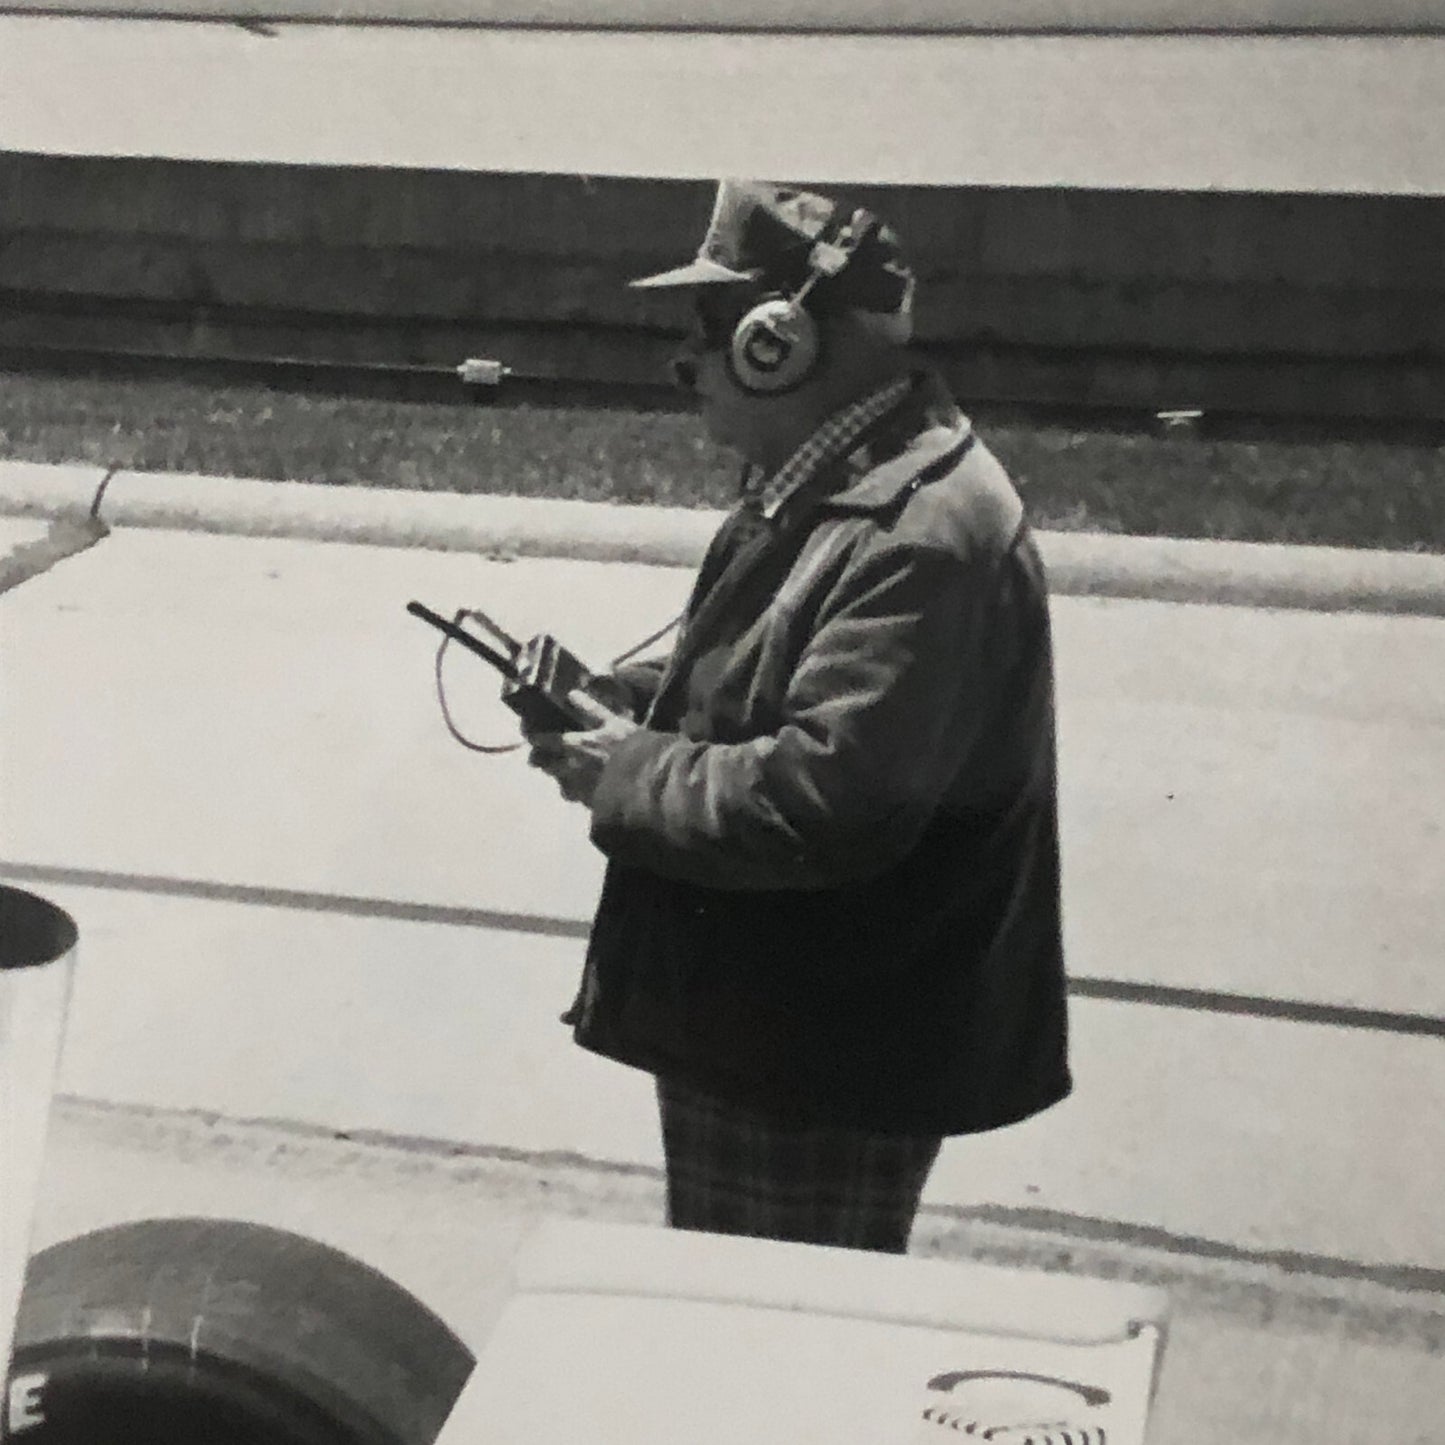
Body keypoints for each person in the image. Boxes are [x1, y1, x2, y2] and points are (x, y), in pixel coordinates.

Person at [525, 180, 1070, 1255]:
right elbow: (778, 684)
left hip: (820, 1055)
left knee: (776, 1345)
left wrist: (624, 770)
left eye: (706, 328)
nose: (686, 361)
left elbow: (826, 802)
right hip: (784, 1024)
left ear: (781, 342)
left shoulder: (917, 535)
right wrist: (636, 707)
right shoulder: (842, 487)